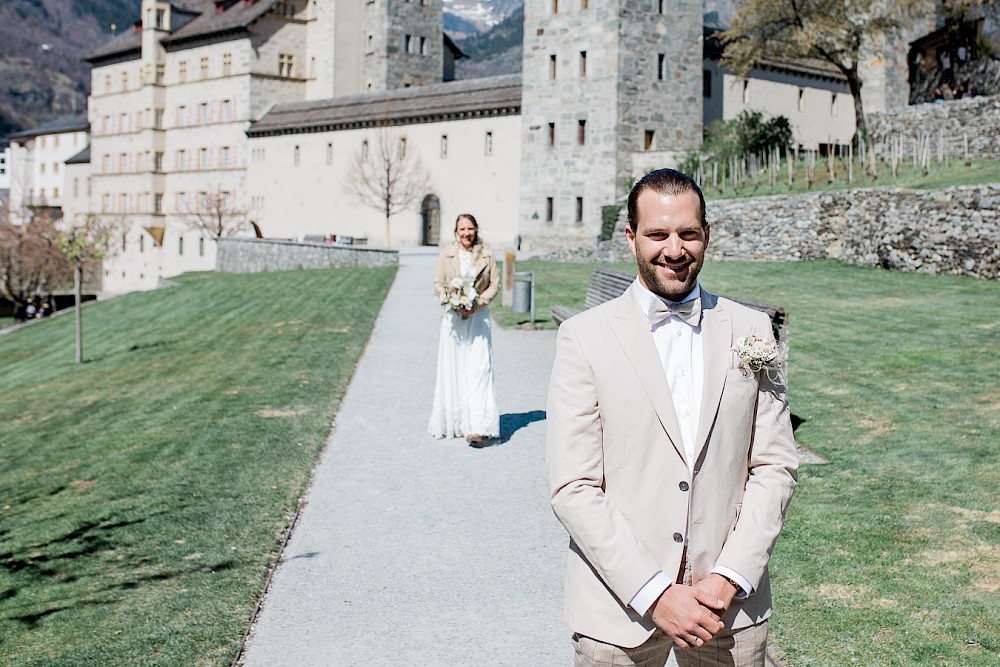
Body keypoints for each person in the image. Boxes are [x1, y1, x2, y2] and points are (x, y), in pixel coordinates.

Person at [546, 168, 799, 666]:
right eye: (657, 234)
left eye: (688, 233)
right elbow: (573, 486)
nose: (674, 249)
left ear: (707, 235)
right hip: (619, 608)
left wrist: (731, 575)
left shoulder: (751, 329)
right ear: (631, 237)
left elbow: (774, 466)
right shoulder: (583, 338)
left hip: (729, 607)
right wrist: (656, 594)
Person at [427, 213, 501, 444]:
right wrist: (451, 300)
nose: (466, 233)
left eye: (470, 229)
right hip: (454, 322)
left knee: (479, 368)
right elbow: (438, 284)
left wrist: (475, 304)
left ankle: (478, 426)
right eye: (462, 229)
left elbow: (494, 286)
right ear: (456, 232)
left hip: (478, 320)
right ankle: (456, 422)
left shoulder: (487, 257)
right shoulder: (445, 256)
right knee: (454, 369)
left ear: (476, 229)